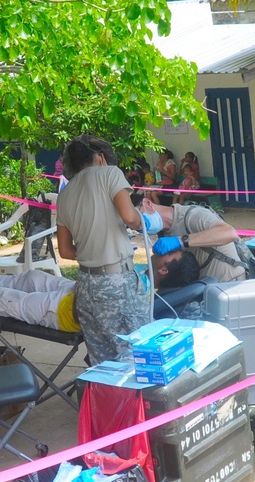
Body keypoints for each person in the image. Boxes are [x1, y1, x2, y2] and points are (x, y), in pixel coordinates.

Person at [0, 239, 200, 332]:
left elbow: (91, 307)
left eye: (168, 253)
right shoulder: (143, 275)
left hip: (66, 311)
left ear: (163, 268)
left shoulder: (138, 290)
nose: (161, 247)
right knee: (30, 278)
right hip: (78, 293)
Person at [55, 134, 161, 366]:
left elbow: (64, 250)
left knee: (103, 362)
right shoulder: (110, 173)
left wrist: (92, 252)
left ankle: (107, 401)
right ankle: (142, 403)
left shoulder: (65, 194)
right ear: (101, 157)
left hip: (85, 285)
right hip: (116, 282)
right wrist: (146, 220)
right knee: (139, 354)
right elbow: (129, 217)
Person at [136, 196, 247, 283]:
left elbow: (229, 233)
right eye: (133, 226)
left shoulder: (192, 215)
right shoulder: (163, 232)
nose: (139, 227)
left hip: (230, 283)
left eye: (139, 218)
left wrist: (181, 241)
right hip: (204, 287)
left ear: (147, 203)